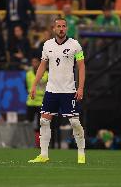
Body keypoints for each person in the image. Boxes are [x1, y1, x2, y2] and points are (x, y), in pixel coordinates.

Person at [28, 18, 86, 164]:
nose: (61, 28)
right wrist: (34, 85)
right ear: (54, 29)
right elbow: (42, 66)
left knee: (74, 122)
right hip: (51, 90)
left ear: (66, 28)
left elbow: (81, 67)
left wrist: (80, 88)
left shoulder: (75, 45)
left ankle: (81, 154)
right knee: (44, 121)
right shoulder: (47, 45)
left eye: (63, 26)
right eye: (58, 26)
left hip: (68, 91)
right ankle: (43, 155)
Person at [26, 57, 48, 145]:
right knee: (29, 123)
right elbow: (26, 86)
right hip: (30, 102)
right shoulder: (28, 74)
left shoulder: (46, 74)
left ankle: (39, 143)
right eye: (32, 62)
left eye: (35, 62)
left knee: (41, 124)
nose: (34, 64)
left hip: (41, 102)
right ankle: (29, 141)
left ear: (40, 63)